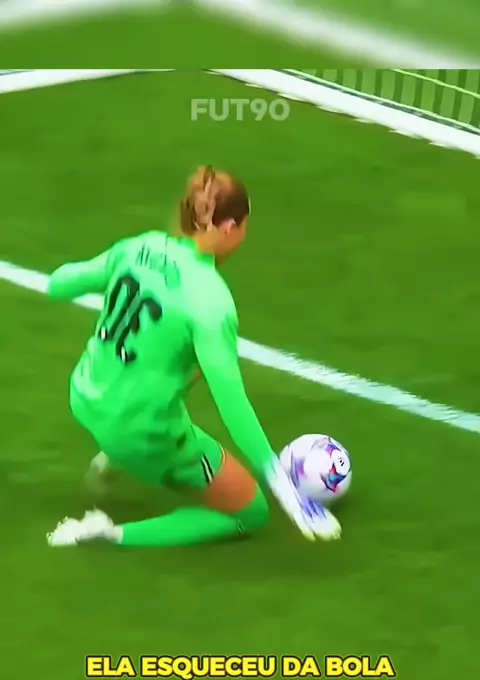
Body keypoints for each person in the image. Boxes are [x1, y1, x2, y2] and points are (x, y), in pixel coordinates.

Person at [46, 166, 341, 548]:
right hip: (142, 433)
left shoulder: (139, 246)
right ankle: (107, 534)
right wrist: (285, 488)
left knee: (182, 357)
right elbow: (232, 404)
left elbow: (58, 284)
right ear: (230, 228)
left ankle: (111, 457)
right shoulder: (210, 301)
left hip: (86, 395)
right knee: (249, 512)